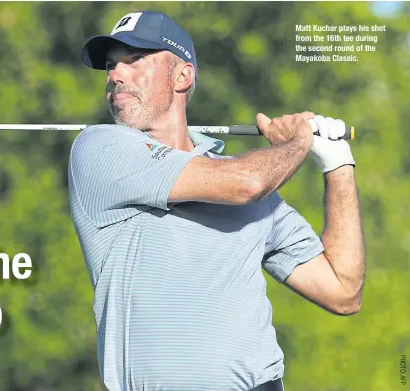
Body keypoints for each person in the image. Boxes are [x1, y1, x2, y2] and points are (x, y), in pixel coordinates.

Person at [68, 10, 365, 391]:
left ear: (182, 75)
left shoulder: (247, 184)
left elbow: (343, 290)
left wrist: (337, 163)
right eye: (111, 66)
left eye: (135, 59)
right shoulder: (100, 149)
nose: (115, 75)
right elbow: (246, 183)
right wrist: (298, 142)